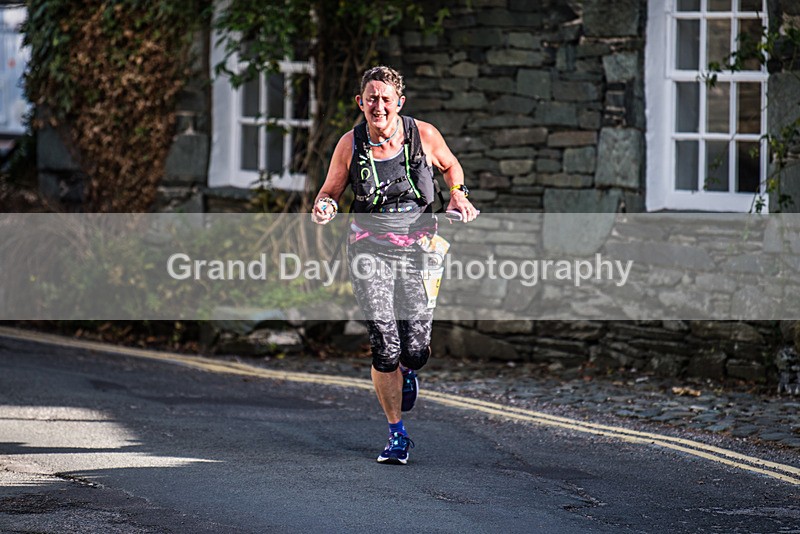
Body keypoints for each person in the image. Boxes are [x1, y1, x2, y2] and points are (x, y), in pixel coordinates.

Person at [312, 66, 478, 465]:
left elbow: (452, 168)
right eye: (372, 98)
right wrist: (324, 206)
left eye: (387, 99)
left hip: (419, 251)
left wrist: (458, 194)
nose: (379, 106)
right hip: (369, 250)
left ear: (399, 103)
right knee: (384, 345)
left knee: (415, 348)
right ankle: (396, 433)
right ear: (361, 102)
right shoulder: (349, 145)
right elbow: (330, 191)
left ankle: (409, 368)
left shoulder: (425, 135)